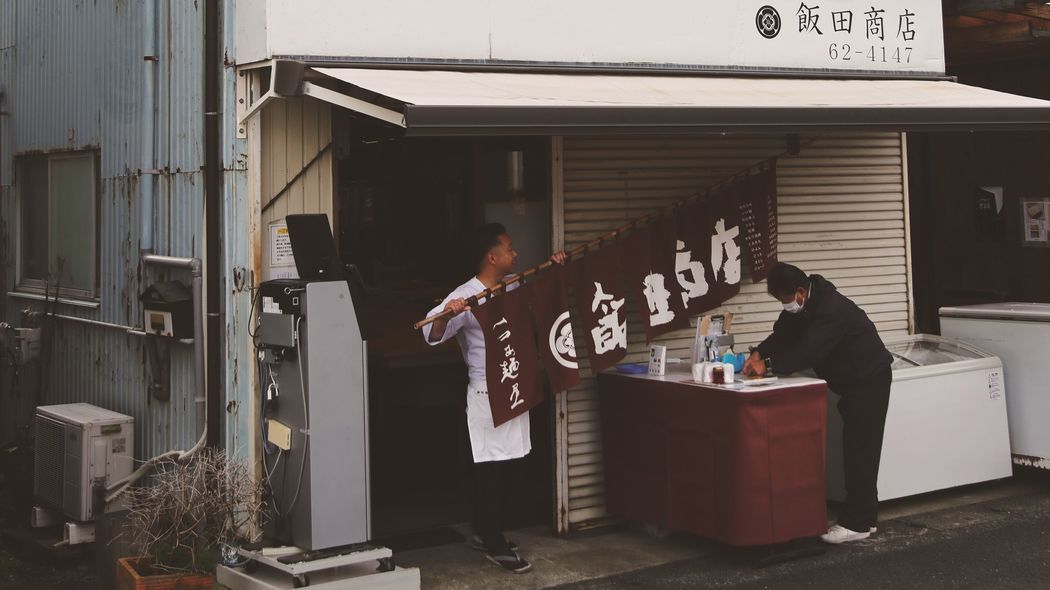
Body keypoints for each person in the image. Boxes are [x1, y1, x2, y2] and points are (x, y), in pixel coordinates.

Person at [422, 223, 567, 573]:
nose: (515, 253)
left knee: (514, 461)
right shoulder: (466, 295)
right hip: (486, 392)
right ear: (492, 256)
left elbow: (539, 297)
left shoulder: (513, 285)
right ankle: (494, 542)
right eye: (509, 248)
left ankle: (486, 529)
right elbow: (431, 332)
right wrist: (449, 314)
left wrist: (555, 268)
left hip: (514, 385)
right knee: (490, 468)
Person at [744, 262, 893, 544]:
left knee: (861, 449)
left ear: (800, 292)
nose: (783, 305)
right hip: (851, 382)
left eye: (784, 300)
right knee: (857, 447)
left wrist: (768, 365)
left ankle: (857, 523)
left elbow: (808, 352)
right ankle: (866, 518)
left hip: (869, 378)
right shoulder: (805, 304)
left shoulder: (831, 310)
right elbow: (782, 335)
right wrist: (757, 352)